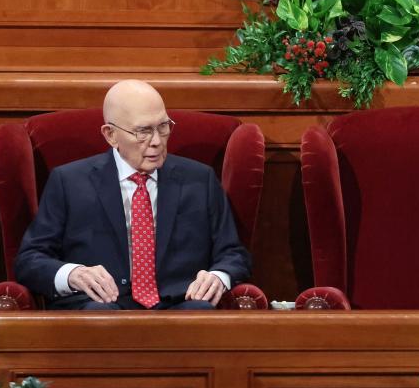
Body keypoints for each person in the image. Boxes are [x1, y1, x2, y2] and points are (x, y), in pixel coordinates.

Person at [15, 80, 251, 310]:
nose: (157, 141)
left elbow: (233, 253)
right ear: (111, 135)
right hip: (100, 305)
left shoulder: (200, 179)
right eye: (143, 131)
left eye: (163, 126)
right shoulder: (69, 182)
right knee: (99, 317)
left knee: (200, 313)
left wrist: (219, 276)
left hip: (181, 303)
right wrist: (73, 274)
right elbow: (30, 260)